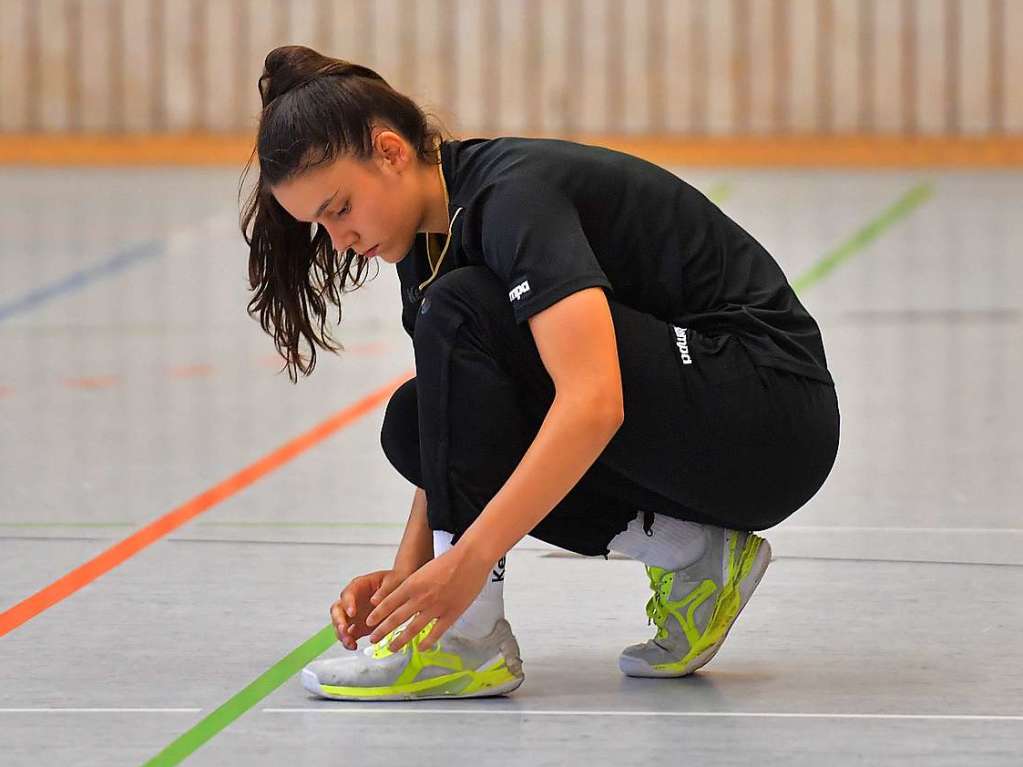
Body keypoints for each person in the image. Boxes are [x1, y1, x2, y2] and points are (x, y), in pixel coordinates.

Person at [241, 45, 840, 702]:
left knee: (462, 310)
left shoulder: (510, 197)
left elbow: (594, 402)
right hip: (704, 426)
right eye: (319, 225)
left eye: (338, 208)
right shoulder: (427, 250)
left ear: (389, 152)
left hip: (769, 410)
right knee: (413, 426)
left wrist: (463, 571)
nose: (338, 239)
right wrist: (407, 584)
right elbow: (457, 429)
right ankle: (695, 555)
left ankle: (467, 642)